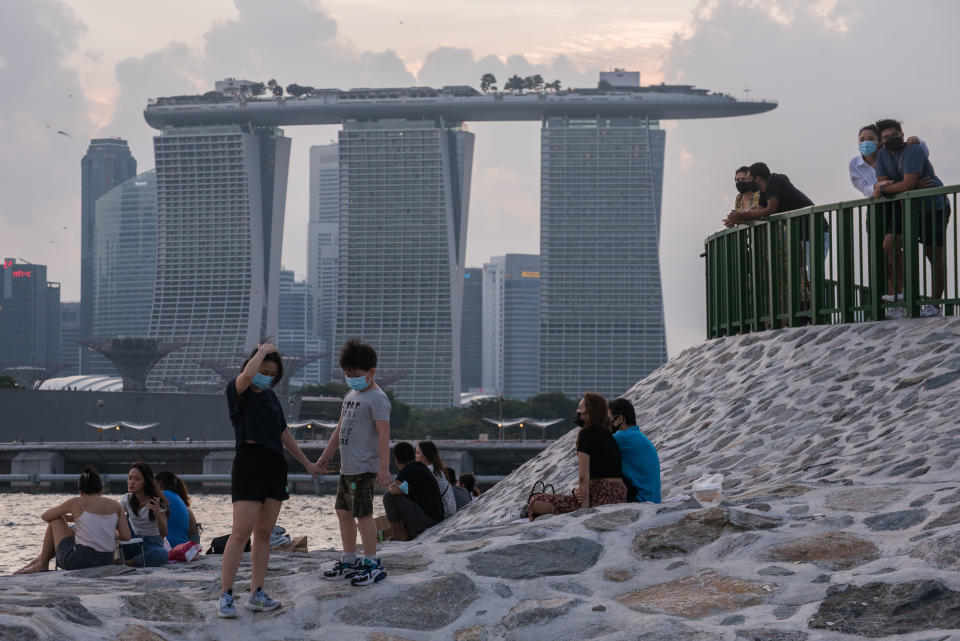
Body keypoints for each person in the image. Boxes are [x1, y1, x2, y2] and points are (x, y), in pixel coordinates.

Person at [218, 343, 321, 618]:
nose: (266, 376)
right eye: (263, 370)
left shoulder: (272, 398)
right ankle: (226, 594)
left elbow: (284, 434)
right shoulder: (238, 391)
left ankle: (257, 593)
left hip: (274, 465)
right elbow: (248, 376)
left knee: (264, 534)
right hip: (249, 462)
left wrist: (307, 463)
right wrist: (263, 349)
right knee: (241, 532)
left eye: (272, 373)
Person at [317, 339, 391, 587]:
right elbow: (340, 428)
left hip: (363, 468)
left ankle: (372, 563)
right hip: (347, 468)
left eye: (356, 374)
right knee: (343, 512)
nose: (351, 378)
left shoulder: (378, 399)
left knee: (363, 514)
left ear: (371, 372)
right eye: (348, 374)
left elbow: (384, 435)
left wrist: (383, 467)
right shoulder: (351, 395)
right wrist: (326, 455)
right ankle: (349, 559)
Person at [874, 118, 950, 318]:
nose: (893, 139)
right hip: (908, 206)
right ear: (881, 141)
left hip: (934, 206)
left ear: (902, 133)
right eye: (887, 137)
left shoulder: (913, 150)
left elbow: (904, 184)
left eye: (896, 134)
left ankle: (935, 304)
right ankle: (900, 295)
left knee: (934, 254)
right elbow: (881, 185)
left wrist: (888, 188)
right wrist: (889, 187)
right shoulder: (882, 154)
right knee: (889, 243)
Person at [528, 393, 627, 519]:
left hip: (599, 495)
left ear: (590, 412)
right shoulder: (609, 435)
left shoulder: (586, 434)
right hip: (618, 494)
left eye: (581, 406)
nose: (577, 410)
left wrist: (583, 511)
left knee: (535, 500)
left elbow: (583, 477)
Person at [14, 466, 131, 574]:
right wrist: (105, 532)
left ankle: (42, 565)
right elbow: (126, 536)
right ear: (101, 489)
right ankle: (38, 564)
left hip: (80, 562)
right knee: (69, 529)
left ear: (80, 491)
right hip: (106, 561)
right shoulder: (116, 505)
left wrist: (69, 518)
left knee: (56, 519)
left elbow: (46, 516)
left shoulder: (76, 502)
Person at [382, 442, 444, 541]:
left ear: (396, 460)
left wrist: (392, 486)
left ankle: (398, 535)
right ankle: (397, 534)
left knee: (388, 497)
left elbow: (394, 491)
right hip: (436, 519)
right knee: (402, 497)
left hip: (428, 520)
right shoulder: (420, 467)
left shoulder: (407, 470)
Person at [850, 125, 926, 198]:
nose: (866, 143)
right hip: (878, 203)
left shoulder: (890, 154)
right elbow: (864, 189)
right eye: (862, 140)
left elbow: (921, 151)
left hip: (901, 199)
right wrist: (877, 186)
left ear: (880, 142)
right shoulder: (855, 164)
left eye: (870, 139)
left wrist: (915, 140)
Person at [608, 398, 661, 503]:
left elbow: (592, 449)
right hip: (652, 498)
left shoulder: (621, 437)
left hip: (640, 499)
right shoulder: (637, 435)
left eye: (608, 419)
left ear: (620, 419)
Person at [120, 461, 170, 567]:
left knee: (162, 554)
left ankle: (129, 562)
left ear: (146, 482)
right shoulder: (127, 499)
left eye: (136, 479)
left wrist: (156, 512)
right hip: (133, 540)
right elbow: (114, 514)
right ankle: (131, 559)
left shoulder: (156, 500)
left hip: (152, 544)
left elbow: (164, 533)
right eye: (129, 478)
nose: (131, 482)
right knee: (120, 516)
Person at [416, 441, 457, 519]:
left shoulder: (428, 470)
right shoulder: (438, 470)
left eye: (418, 453)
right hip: (450, 510)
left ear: (425, 456)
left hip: (443, 512)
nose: (415, 456)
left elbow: (413, 489)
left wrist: (399, 487)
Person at [156, 470, 196, 548]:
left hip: (169, 547)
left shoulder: (163, 495)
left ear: (160, 484)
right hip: (182, 546)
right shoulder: (179, 498)